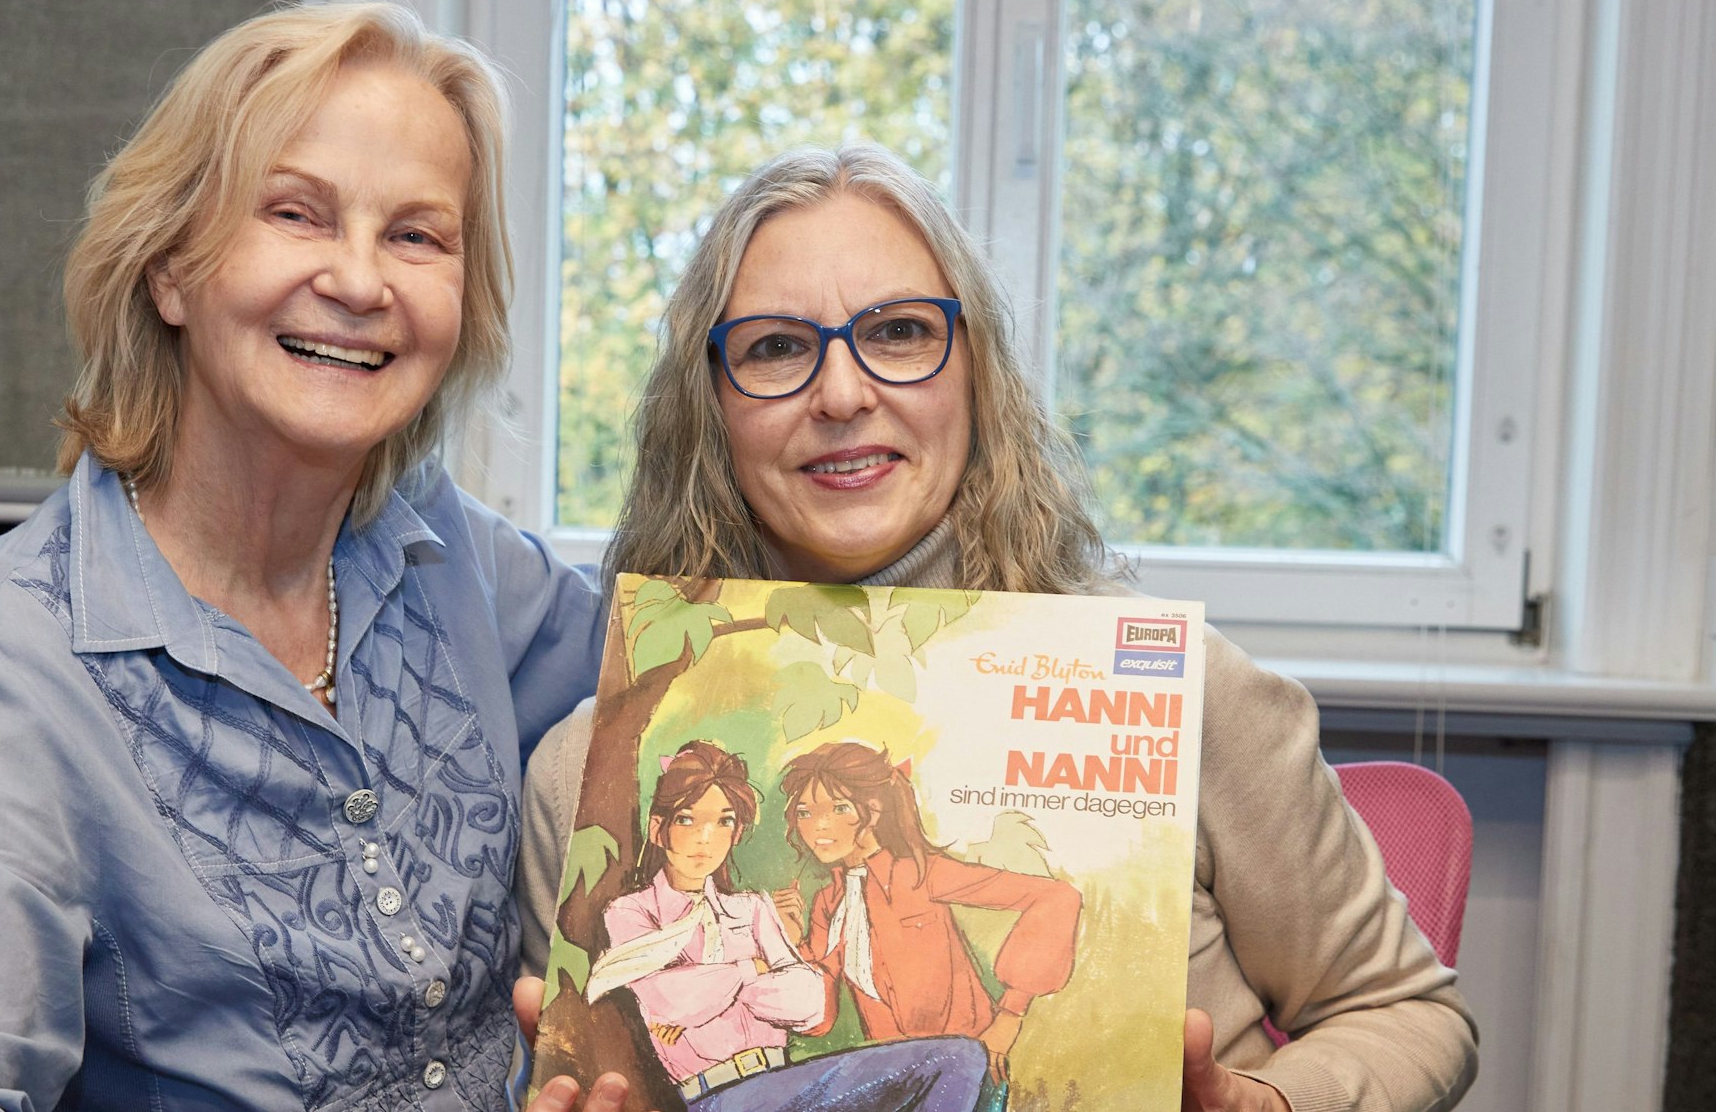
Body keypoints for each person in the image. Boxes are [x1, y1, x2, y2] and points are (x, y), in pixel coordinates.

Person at [514, 143, 1476, 1112]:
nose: (842, 395)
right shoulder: (585, 773)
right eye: (773, 346)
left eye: (895, 332)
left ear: (975, 373)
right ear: (708, 405)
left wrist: (1266, 1106)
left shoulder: (1182, 693)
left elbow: (1408, 1012)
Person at [0, 4, 603, 1111]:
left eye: (417, 235)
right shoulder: (4, 677)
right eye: (295, 213)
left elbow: (695, 682)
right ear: (170, 269)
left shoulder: (445, 547)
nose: (361, 282)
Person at [582, 741, 986, 1111]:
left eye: (723, 822)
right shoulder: (631, 911)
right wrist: (753, 968)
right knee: (954, 1058)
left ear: (736, 832)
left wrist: (713, 991)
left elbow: (808, 1003)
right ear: (658, 829)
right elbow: (669, 999)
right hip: (718, 1096)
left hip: (784, 1083)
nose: (705, 838)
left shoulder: (751, 908)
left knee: (960, 1058)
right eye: (687, 820)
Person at [776, 741, 1080, 1080]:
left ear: (873, 810)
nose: (818, 826)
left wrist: (1010, 1015)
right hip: (895, 1078)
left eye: (839, 808)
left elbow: (1057, 897)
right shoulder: (828, 902)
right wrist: (787, 946)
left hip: (966, 1063)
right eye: (805, 812)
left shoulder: (922, 874)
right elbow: (820, 1019)